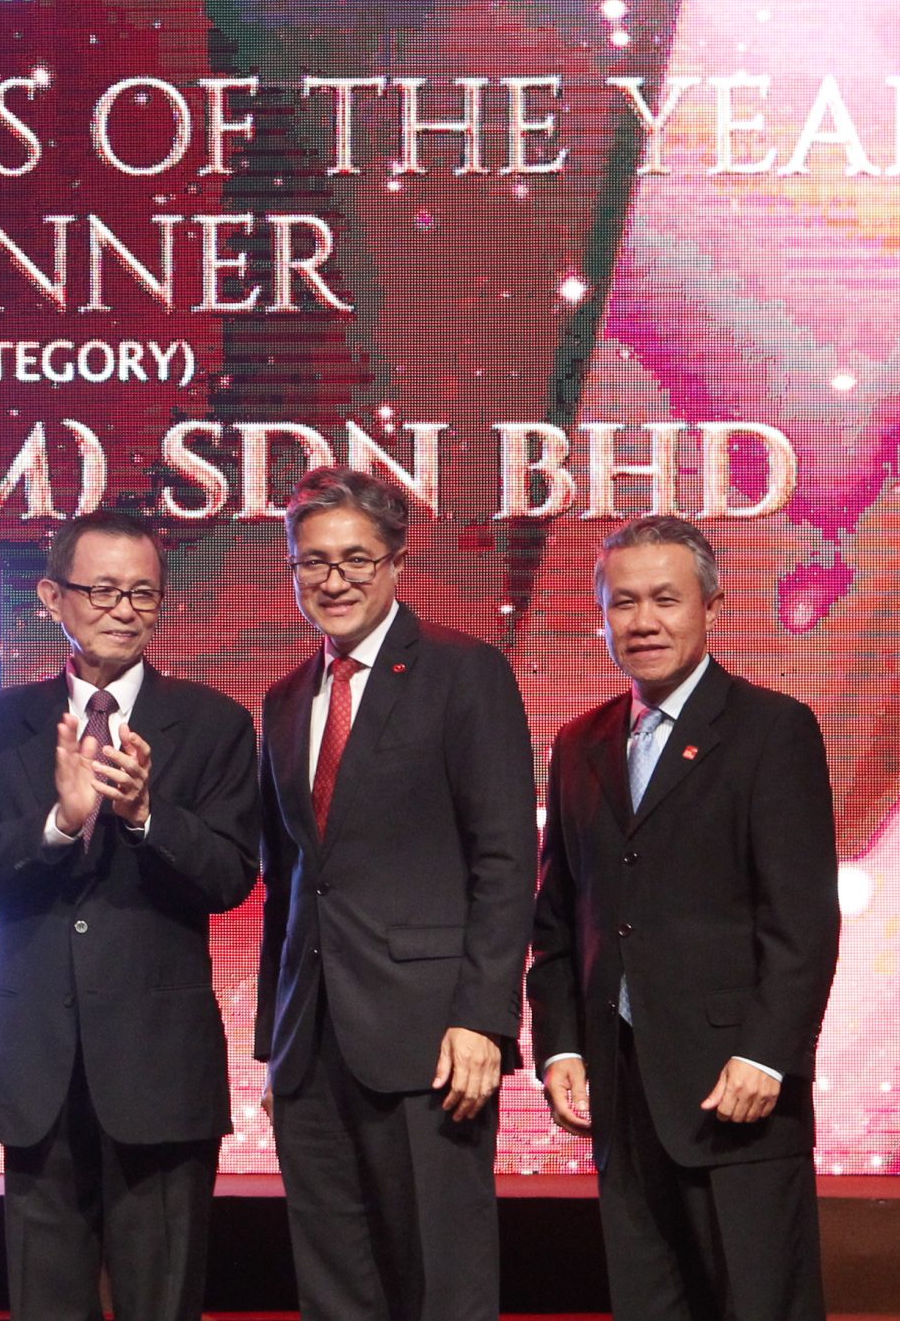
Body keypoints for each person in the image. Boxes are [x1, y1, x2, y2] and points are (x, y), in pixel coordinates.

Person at [0, 508, 258, 1321]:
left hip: (161, 1068)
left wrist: (147, 815)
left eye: (142, 593)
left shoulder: (214, 723)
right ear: (53, 597)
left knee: (163, 1301)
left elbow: (231, 875)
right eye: (103, 590)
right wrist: (59, 822)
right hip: (36, 1067)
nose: (123, 609)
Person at [528, 515, 840, 1321]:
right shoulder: (577, 743)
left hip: (737, 1089)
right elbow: (558, 922)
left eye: (665, 599)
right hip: (621, 1093)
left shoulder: (773, 730)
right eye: (623, 602)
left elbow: (802, 921)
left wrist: (768, 1054)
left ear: (712, 607)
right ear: (602, 617)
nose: (643, 621)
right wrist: (561, 1045)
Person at [255, 467, 536, 1321]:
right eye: (313, 561)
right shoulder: (285, 698)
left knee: (440, 1281)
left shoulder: (463, 670)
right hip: (311, 1046)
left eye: (355, 559)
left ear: (397, 563)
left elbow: (505, 858)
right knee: (335, 1285)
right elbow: (289, 880)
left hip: (430, 1040)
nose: (333, 579)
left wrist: (484, 1018)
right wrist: (276, 1042)